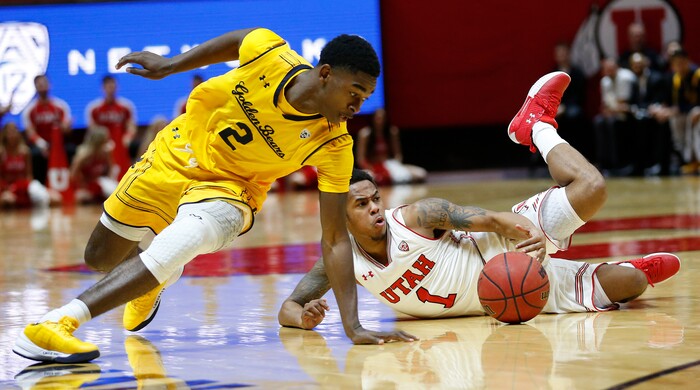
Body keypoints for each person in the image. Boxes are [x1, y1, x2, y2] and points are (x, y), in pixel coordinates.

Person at [12, 27, 414, 364]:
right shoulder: (270, 54)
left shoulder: (335, 145)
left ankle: (57, 323)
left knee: (185, 238)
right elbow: (237, 40)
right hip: (177, 151)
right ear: (325, 73)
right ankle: (151, 281)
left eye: (363, 99)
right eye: (355, 93)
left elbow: (334, 237)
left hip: (233, 190)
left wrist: (353, 325)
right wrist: (171, 65)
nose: (357, 107)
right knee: (99, 258)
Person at [278, 72, 681, 329]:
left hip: (505, 253)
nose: (375, 209)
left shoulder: (420, 215)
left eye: (375, 199)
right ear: (340, 215)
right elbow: (289, 309)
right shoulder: (338, 256)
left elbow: (495, 221)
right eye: (361, 205)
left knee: (592, 188)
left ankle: (535, 126)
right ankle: (629, 267)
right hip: (514, 299)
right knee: (633, 283)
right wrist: (304, 318)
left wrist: (534, 235)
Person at [20, 75, 73, 185]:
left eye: (44, 83)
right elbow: (30, 133)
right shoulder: (30, 110)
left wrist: (66, 127)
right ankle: (40, 185)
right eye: (39, 84)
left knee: (72, 150)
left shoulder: (60, 106)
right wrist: (43, 146)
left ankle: (70, 184)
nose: (42, 86)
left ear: (49, 85)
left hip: (59, 144)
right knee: (35, 155)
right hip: (41, 146)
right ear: (35, 87)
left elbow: (66, 129)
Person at [84, 75, 138, 179]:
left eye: (113, 85)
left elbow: (132, 127)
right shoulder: (94, 108)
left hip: (121, 144)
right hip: (102, 146)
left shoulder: (126, 107)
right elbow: (92, 130)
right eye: (108, 86)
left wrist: (127, 138)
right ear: (103, 88)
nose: (111, 88)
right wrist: (103, 143)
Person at [355, 108, 426, 185]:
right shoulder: (365, 134)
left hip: (390, 165)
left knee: (420, 174)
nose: (380, 121)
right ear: (373, 119)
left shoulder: (392, 132)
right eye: (378, 118)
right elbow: (361, 159)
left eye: (383, 118)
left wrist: (395, 166)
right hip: (372, 167)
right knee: (370, 178)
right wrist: (372, 169)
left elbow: (398, 155)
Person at [0, 121, 58, 208]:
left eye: (14, 131)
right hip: (6, 188)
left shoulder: (25, 152)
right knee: (7, 200)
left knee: (55, 199)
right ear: (4, 135)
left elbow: (29, 175)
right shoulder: (1, 153)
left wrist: (25, 189)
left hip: (23, 187)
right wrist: (6, 189)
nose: (12, 135)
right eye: (9, 132)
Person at [70, 125, 118, 204]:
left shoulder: (106, 153)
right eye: (106, 140)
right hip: (86, 187)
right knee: (80, 197)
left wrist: (110, 180)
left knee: (115, 192)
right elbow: (73, 175)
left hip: (99, 184)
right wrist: (82, 188)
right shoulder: (84, 156)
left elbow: (111, 168)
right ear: (99, 141)